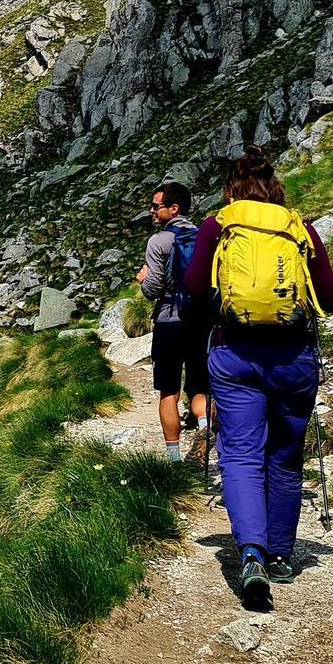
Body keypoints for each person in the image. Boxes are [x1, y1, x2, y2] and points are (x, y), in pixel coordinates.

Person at [181, 144, 333, 609]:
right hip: (293, 358)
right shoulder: (298, 227)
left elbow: (193, 287)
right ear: (275, 187)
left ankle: (250, 553)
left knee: (240, 455)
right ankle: (281, 555)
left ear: (232, 189)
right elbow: (331, 295)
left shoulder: (218, 224)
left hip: (235, 354)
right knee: (285, 458)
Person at [136, 180, 205, 462]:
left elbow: (152, 289)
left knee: (169, 391)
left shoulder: (159, 241)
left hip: (169, 320)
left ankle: (175, 461)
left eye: (156, 206)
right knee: (200, 387)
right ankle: (205, 429)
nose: (151, 211)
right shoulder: (203, 237)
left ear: (173, 208)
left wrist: (143, 280)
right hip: (200, 321)